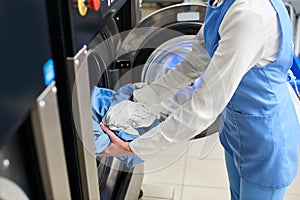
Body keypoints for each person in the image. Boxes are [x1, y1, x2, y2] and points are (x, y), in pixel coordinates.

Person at [99, 0, 300, 199]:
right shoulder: (222, 4)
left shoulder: (249, 15)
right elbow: (193, 64)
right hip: (237, 131)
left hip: (265, 140)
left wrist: (135, 148)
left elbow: (204, 107)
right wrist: (144, 98)